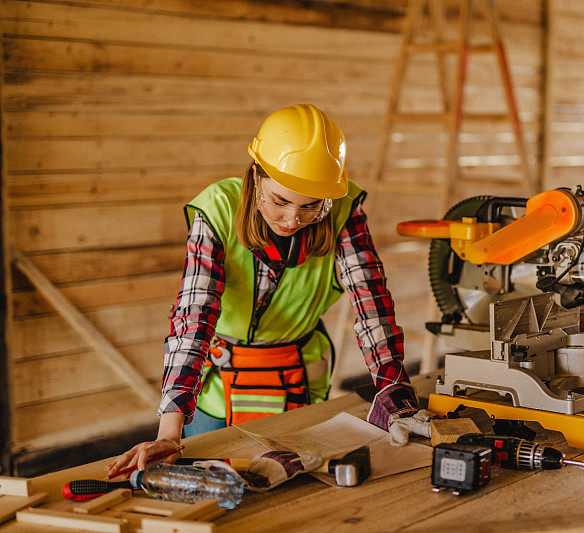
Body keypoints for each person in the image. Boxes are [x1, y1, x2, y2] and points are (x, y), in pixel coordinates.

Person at [107, 104, 424, 476]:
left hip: (300, 386)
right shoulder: (217, 210)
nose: (293, 219)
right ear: (256, 176)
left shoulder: (343, 209)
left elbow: (371, 305)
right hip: (216, 392)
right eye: (280, 201)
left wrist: (395, 393)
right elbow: (194, 316)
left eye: (310, 207)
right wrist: (168, 433)